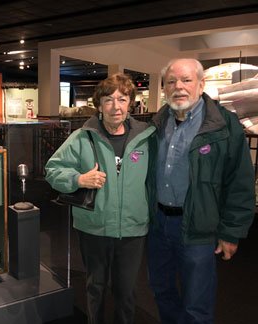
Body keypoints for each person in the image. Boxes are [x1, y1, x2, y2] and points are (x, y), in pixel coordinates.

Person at [147, 58, 255, 324]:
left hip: (198, 226)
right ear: (164, 88)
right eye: (171, 81)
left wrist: (231, 232)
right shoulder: (157, 123)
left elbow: (239, 182)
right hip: (158, 225)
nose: (178, 87)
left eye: (186, 80)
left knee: (197, 302)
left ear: (201, 84)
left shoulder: (223, 124)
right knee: (162, 290)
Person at [45, 73, 156, 324]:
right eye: (108, 100)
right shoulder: (82, 137)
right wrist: (78, 179)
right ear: (99, 105)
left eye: (122, 99)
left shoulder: (147, 138)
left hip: (132, 227)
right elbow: (52, 170)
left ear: (130, 103)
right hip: (94, 225)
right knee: (95, 287)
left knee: (126, 291)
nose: (115, 106)